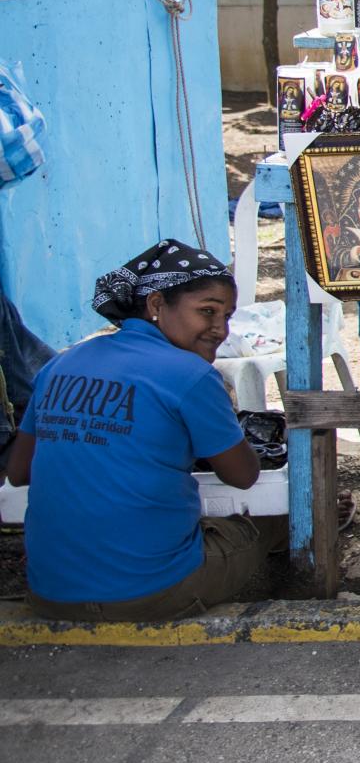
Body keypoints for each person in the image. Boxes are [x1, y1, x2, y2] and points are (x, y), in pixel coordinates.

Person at [4, 240, 285, 622]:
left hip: (52, 593)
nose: (221, 330)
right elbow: (243, 475)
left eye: (227, 316)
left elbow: (19, 472)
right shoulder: (192, 375)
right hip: (151, 594)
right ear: (155, 305)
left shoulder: (61, 364)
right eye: (207, 312)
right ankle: (300, 570)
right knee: (272, 521)